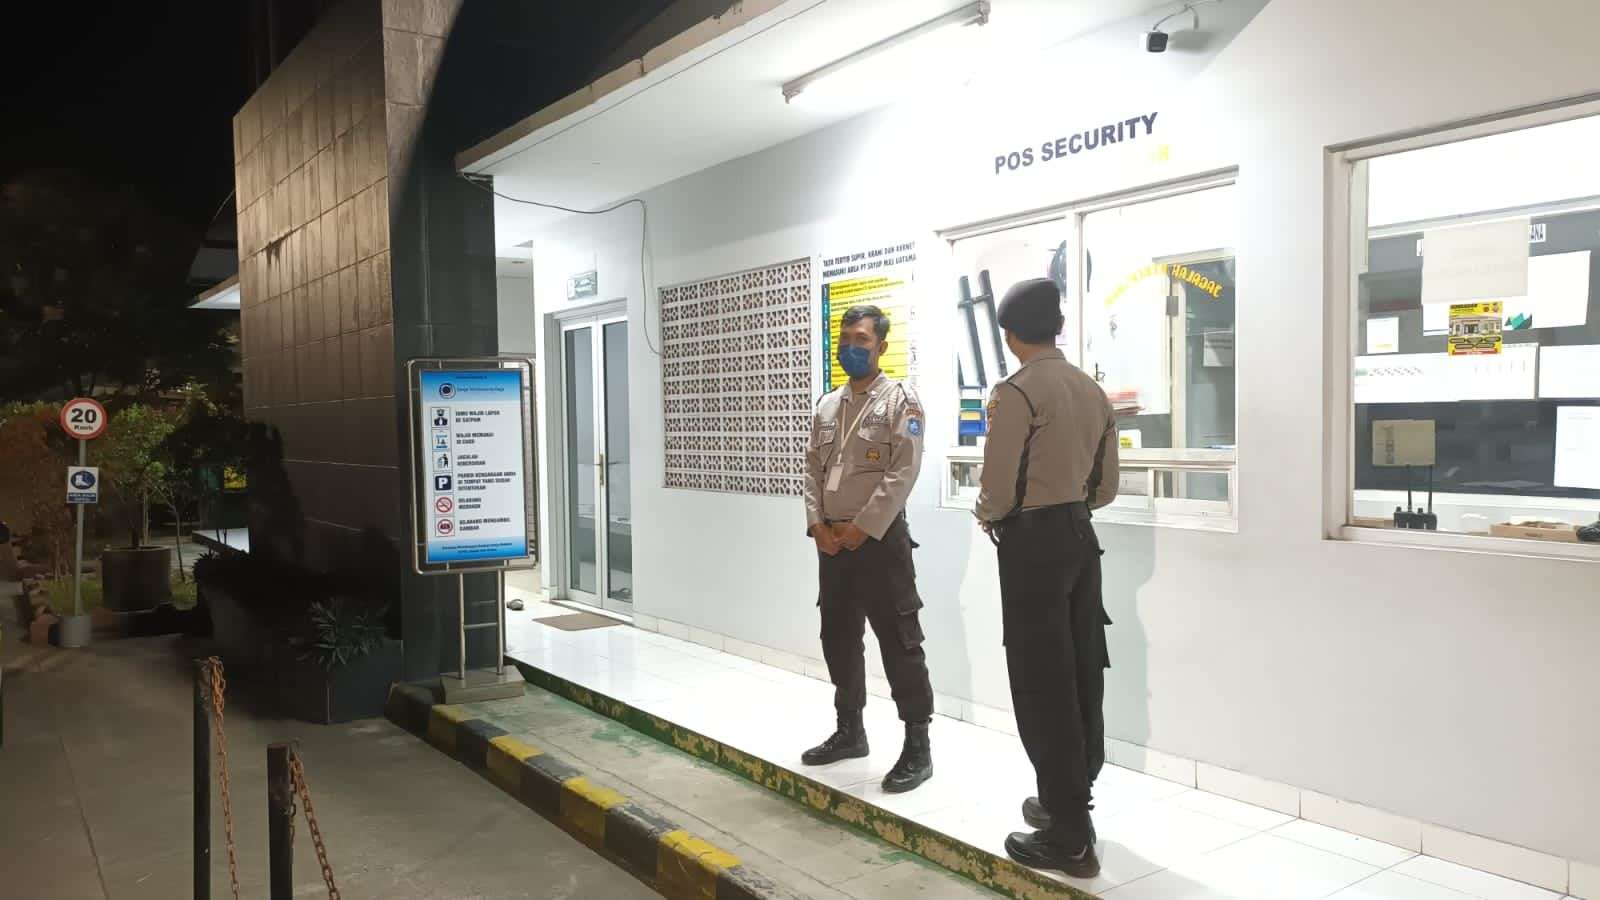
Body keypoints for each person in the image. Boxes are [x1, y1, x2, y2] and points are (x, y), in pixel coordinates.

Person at [975, 278, 1120, 877]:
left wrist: (988, 514)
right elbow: (1105, 488)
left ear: (1010, 335)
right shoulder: (1091, 390)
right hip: (1080, 538)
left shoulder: (1016, 392)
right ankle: (1070, 801)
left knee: (1041, 682)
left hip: (1032, 545)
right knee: (1082, 672)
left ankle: (1069, 838)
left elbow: (997, 487)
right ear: (1056, 328)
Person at [801, 304, 935, 794]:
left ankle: (918, 745)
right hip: (833, 545)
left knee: (900, 642)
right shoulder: (827, 405)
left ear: (881, 345)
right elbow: (812, 469)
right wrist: (816, 524)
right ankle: (850, 730)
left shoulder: (901, 401)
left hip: (879, 543)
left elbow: (903, 471)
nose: (850, 347)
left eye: (861, 339)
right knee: (837, 637)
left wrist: (863, 526)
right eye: (845, 338)